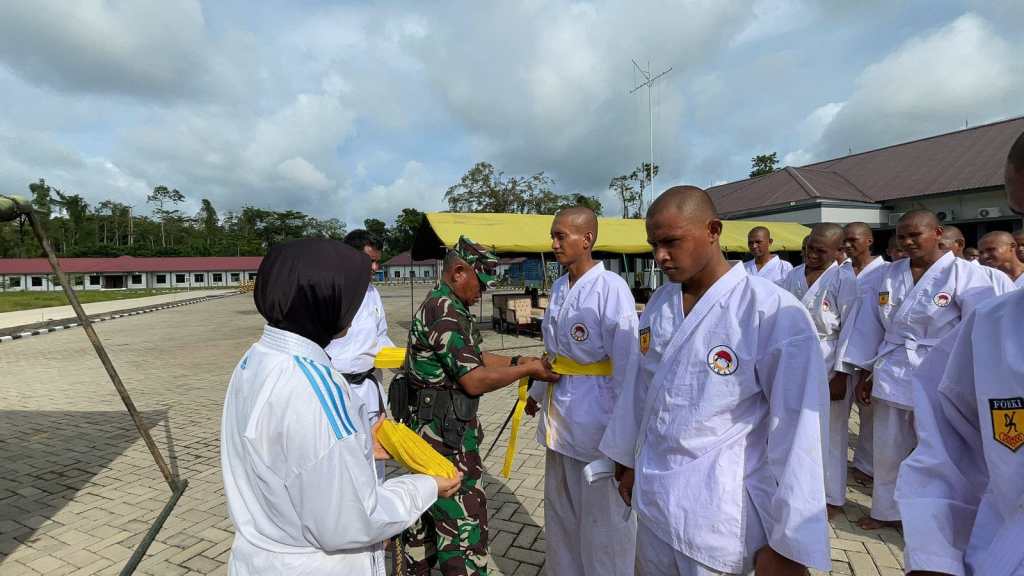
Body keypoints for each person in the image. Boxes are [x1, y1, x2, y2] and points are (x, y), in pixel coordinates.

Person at [600, 186, 831, 575]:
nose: (660, 256)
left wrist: (791, 545)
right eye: (654, 244)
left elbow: (799, 431)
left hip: (719, 512)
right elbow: (641, 392)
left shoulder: (771, 311)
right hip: (656, 499)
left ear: (713, 230)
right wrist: (628, 461)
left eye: (671, 241)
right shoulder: (659, 303)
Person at [221, 238, 462, 575]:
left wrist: (358, 445)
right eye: (350, 294)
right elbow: (352, 519)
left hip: (261, 555)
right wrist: (425, 486)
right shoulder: (318, 388)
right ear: (323, 297)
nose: (354, 305)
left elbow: (291, 454)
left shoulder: (255, 360)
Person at [895, 129, 1024, 575]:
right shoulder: (995, 327)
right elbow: (950, 453)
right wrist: (934, 557)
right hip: (1004, 550)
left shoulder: (974, 280)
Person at [401, 236, 560, 576]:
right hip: (445, 441)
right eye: (482, 281)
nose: (485, 290)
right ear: (459, 271)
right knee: (462, 527)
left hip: (436, 433)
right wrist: (528, 369)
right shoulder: (444, 312)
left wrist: (517, 358)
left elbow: (472, 355)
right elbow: (473, 378)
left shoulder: (449, 306)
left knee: (428, 524)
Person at [843, 210, 998, 530]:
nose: (908, 242)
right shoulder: (886, 275)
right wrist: (863, 372)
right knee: (888, 449)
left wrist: (973, 380)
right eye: (902, 236)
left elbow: (979, 331)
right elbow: (869, 327)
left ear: (937, 232)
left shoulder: (965, 274)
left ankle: (938, 516)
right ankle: (886, 512)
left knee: (938, 450)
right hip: (892, 368)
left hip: (941, 373)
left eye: (916, 235)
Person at [521, 207, 638, 575]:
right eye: (553, 236)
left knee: (603, 523)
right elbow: (553, 353)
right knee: (562, 516)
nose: (554, 243)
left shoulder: (611, 288)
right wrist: (536, 394)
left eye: (561, 236)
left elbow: (628, 364)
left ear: (587, 240)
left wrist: (626, 443)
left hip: (597, 423)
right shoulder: (559, 287)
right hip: (561, 418)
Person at [778, 223, 858, 517]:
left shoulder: (844, 279)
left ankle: (832, 496)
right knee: (795, 425)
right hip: (795, 357)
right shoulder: (793, 275)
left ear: (839, 252)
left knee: (832, 432)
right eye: (809, 247)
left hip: (828, 358)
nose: (811, 254)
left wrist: (843, 372)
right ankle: (797, 486)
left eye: (820, 250)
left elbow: (851, 328)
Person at [326, 230, 395, 480]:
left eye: (378, 261)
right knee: (341, 457)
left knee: (375, 453)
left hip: (368, 386)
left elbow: (381, 338)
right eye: (370, 261)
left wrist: (405, 363)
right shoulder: (328, 290)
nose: (376, 267)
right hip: (335, 389)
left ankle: (377, 511)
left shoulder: (372, 293)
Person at [840, 222, 888, 485]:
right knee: (837, 412)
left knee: (869, 414)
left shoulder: (886, 272)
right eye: (844, 240)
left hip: (873, 353)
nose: (847, 244)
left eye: (853, 239)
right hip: (839, 354)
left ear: (869, 240)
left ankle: (866, 465)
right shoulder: (840, 271)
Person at [939, 225, 1016, 294]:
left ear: (960, 244)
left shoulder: (992, 276)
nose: (984, 256)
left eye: (940, 246)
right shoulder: (935, 278)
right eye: (981, 252)